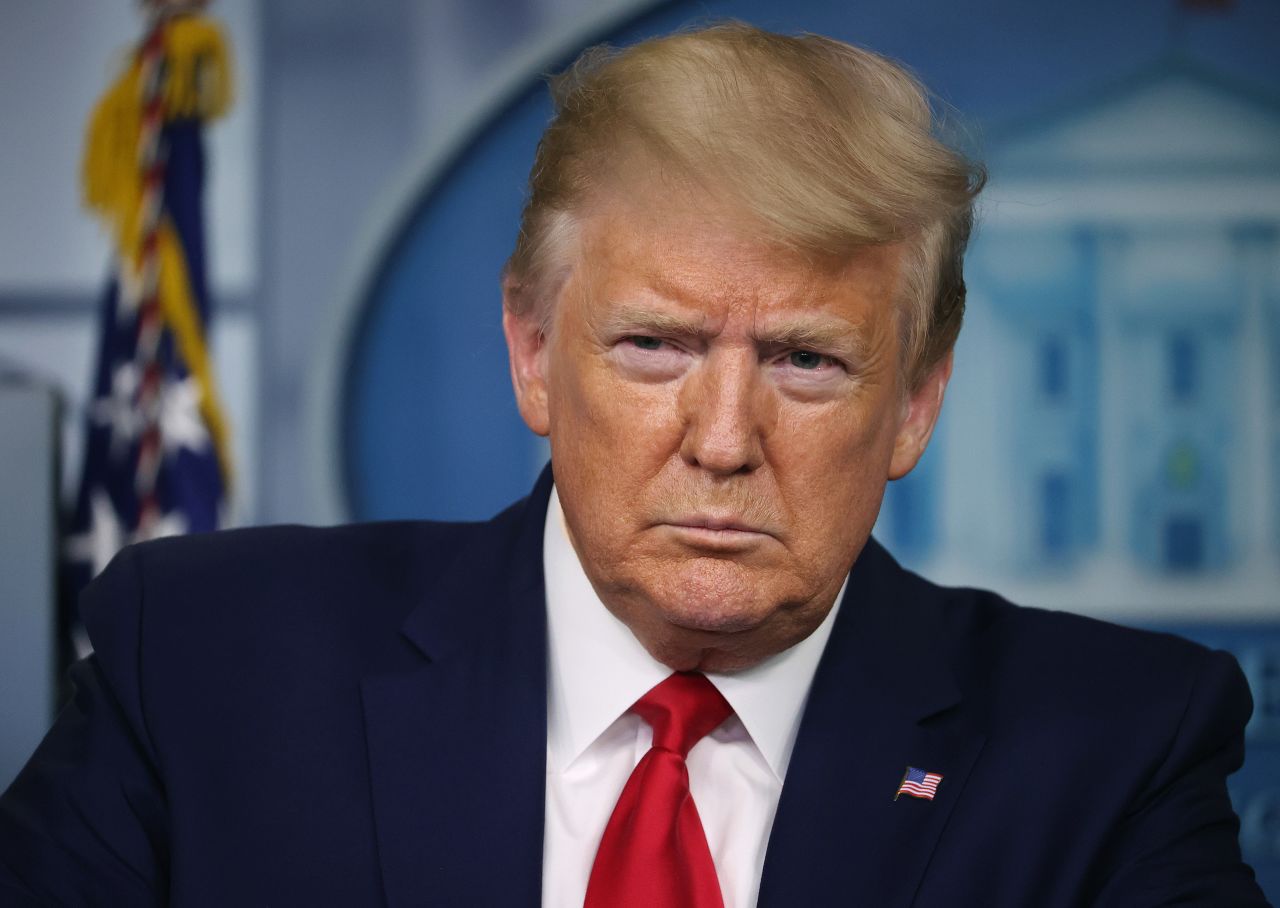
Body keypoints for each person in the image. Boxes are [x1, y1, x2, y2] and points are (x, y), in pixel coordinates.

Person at [0, 22, 1268, 908]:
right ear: (533, 352)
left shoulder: (1112, 750)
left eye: (806, 362)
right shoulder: (210, 660)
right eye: (654, 345)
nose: (721, 440)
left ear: (916, 400)